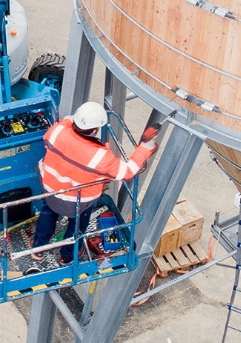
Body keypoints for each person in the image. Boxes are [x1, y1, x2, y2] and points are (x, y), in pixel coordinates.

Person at [32, 101, 159, 264]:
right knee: (77, 226)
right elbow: (127, 172)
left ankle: (38, 248)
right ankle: (67, 256)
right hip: (78, 202)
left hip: (51, 190)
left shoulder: (56, 131)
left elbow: (68, 121)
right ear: (95, 130)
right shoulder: (100, 157)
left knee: (48, 213)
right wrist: (145, 147)